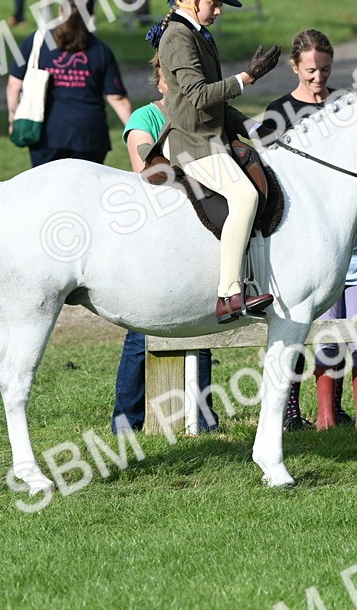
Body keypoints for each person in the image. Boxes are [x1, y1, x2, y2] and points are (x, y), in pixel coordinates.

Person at [255, 29, 357, 431]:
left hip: (347, 235)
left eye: (325, 70)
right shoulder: (279, 112)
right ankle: (290, 408)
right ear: (295, 67)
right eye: (310, 70)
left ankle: (337, 410)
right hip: (297, 236)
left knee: (348, 326)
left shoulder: (345, 106)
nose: (318, 78)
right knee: (298, 322)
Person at [146, 0, 281, 323]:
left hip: (209, 135)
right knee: (245, 196)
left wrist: (253, 128)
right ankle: (229, 294)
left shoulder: (196, 33)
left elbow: (216, 106)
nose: (219, 11)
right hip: (191, 142)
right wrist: (247, 78)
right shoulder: (178, 37)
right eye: (215, 3)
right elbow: (200, 96)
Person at [113, 55, 217, 433]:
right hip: (154, 240)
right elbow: (147, 174)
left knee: (200, 326)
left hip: (196, 235)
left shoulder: (203, 119)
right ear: (160, 83)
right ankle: (127, 421)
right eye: (171, 79)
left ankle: (201, 419)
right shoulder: (144, 119)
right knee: (141, 333)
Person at [7, 0, 132, 167]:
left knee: (48, 185)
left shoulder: (35, 42)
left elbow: (14, 85)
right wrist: (138, 134)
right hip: (90, 138)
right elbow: (118, 98)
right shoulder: (101, 50)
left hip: (47, 137)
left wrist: (13, 118)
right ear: (91, 14)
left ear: (60, 9)